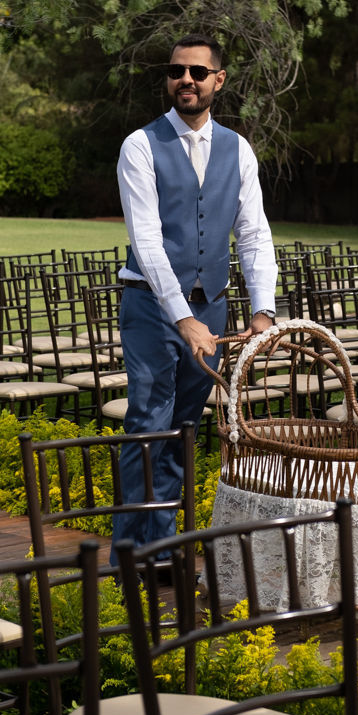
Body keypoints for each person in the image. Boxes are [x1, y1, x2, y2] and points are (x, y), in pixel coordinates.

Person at [113, 32, 278, 554]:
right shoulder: (140, 145)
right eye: (176, 70)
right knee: (149, 421)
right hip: (151, 304)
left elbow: (254, 233)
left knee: (184, 425)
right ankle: (129, 551)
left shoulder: (238, 148)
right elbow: (147, 240)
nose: (185, 79)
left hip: (213, 303)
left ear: (218, 81)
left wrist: (263, 309)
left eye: (197, 72)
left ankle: (162, 545)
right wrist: (182, 317)